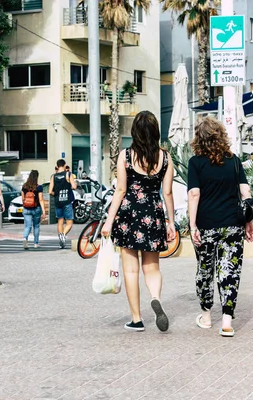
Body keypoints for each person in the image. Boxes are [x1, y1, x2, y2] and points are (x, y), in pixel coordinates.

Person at [101, 110, 176, 332]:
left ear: (135, 131)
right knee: (152, 267)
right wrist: (171, 223)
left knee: (131, 270)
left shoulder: (125, 156)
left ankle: (136, 319)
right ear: (155, 132)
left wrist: (108, 221)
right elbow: (168, 193)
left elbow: (121, 190)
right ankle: (156, 297)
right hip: (153, 214)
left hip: (129, 215)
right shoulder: (165, 157)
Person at [187, 117, 253, 337]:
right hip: (233, 224)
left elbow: (194, 194)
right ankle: (226, 320)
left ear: (199, 137)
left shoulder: (196, 163)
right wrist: (249, 222)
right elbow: (246, 194)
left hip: (206, 224)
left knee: (205, 269)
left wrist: (192, 225)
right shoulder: (234, 161)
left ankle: (206, 317)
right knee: (230, 270)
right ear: (221, 135)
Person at [49, 159, 77, 249]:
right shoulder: (68, 174)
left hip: (58, 201)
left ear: (57, 166)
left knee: (60, 222)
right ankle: (63, 235)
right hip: (67, 201)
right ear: (65, 165)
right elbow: (74, 186)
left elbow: (50, 191)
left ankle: (61, 237)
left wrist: (56, 194)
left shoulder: (53, 176)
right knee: (69, 222)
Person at [21, 170, 46, 249]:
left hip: (26, 209)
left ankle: (25, 238)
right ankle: (36, 243)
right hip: (36, 209)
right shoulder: (39, 187)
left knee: (27, 226)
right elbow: (41, 199)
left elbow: (22, 199)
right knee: (36, 226)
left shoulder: (24, 186)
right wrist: (44, 211)